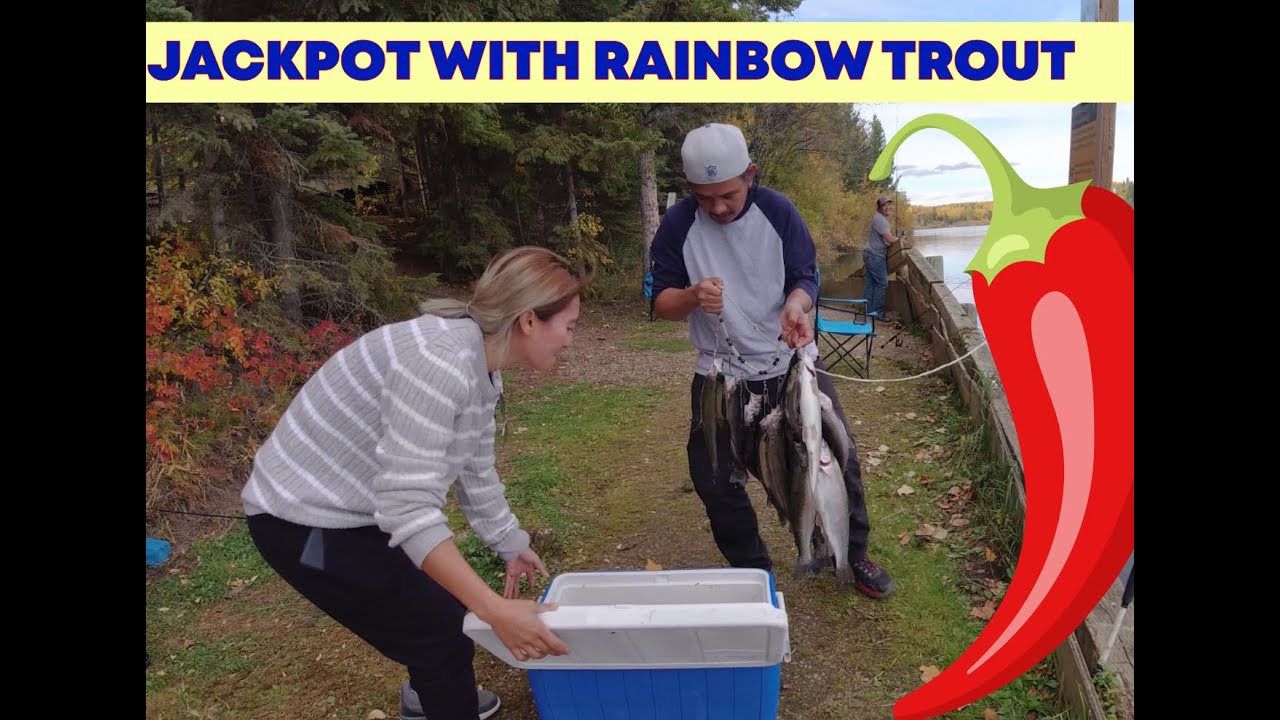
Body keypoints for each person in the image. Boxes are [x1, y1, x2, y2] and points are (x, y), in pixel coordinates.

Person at [240, 246, 585, 720]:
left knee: (437, 620)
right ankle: (436, 695)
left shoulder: (479, 362)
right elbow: (408, 508)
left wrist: (509, 541)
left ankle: (429, 692)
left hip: (362, 509)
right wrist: (492, 609)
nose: (570, 340)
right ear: (529, 320)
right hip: (300, 519)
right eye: (568, 327)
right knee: (441, 630)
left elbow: (473, 465)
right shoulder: (438, 363)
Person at [648, 122, 895, 599]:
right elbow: (660, 303)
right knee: (716, 479)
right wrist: (693, 297)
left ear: (751, 176)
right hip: (720, 374)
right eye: (705, 198)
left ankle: (852, 551)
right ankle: (754, 573)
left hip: (792, 363)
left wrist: (796, 306)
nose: (718, 208)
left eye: (728, 196)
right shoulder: (678, 224)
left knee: (836, 459)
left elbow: (806, 276)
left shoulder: (779, 212)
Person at [864, 194, 899, 319]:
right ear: (879, 207)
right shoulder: (880, 220)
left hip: (869, 253)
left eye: (889, 205)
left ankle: (868, 311)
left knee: (871, 283)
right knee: (882, 283)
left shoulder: (879, 218)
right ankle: (877, 313)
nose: (888, 207)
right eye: (885, 205)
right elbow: (889, 239)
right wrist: (900, 240)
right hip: (875, 255)